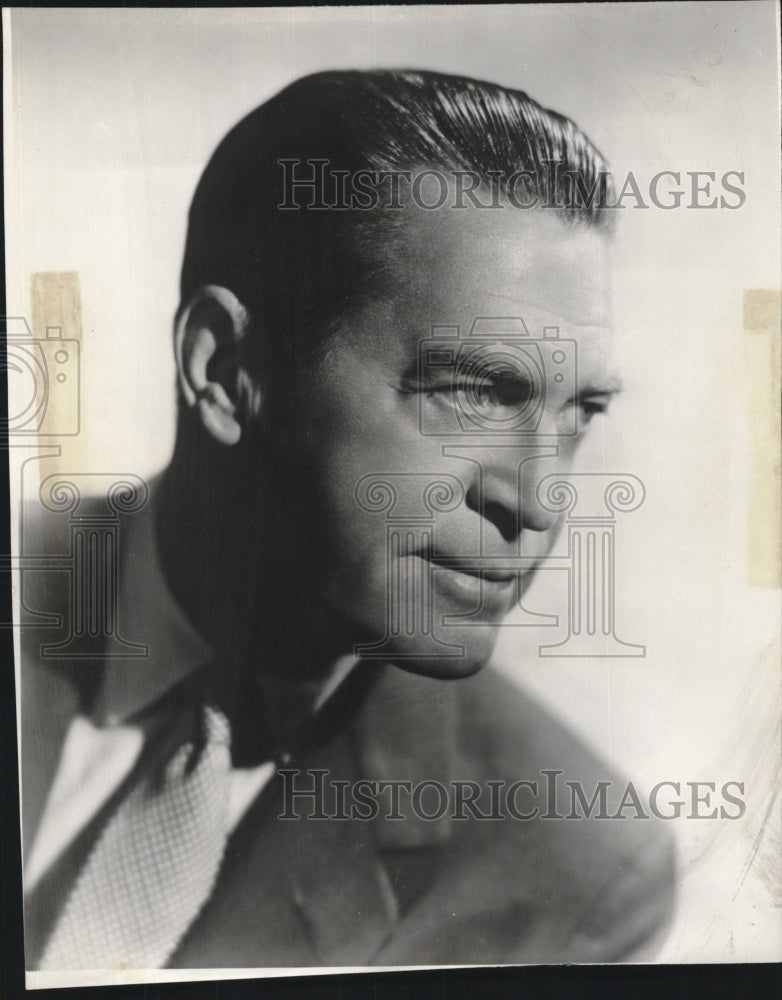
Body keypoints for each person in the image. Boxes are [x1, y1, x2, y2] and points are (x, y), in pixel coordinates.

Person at [20, 70, 675, 971]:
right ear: (224, 373)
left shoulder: (571, 876)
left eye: (579, 413)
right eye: (472, 392)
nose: (538, 502)